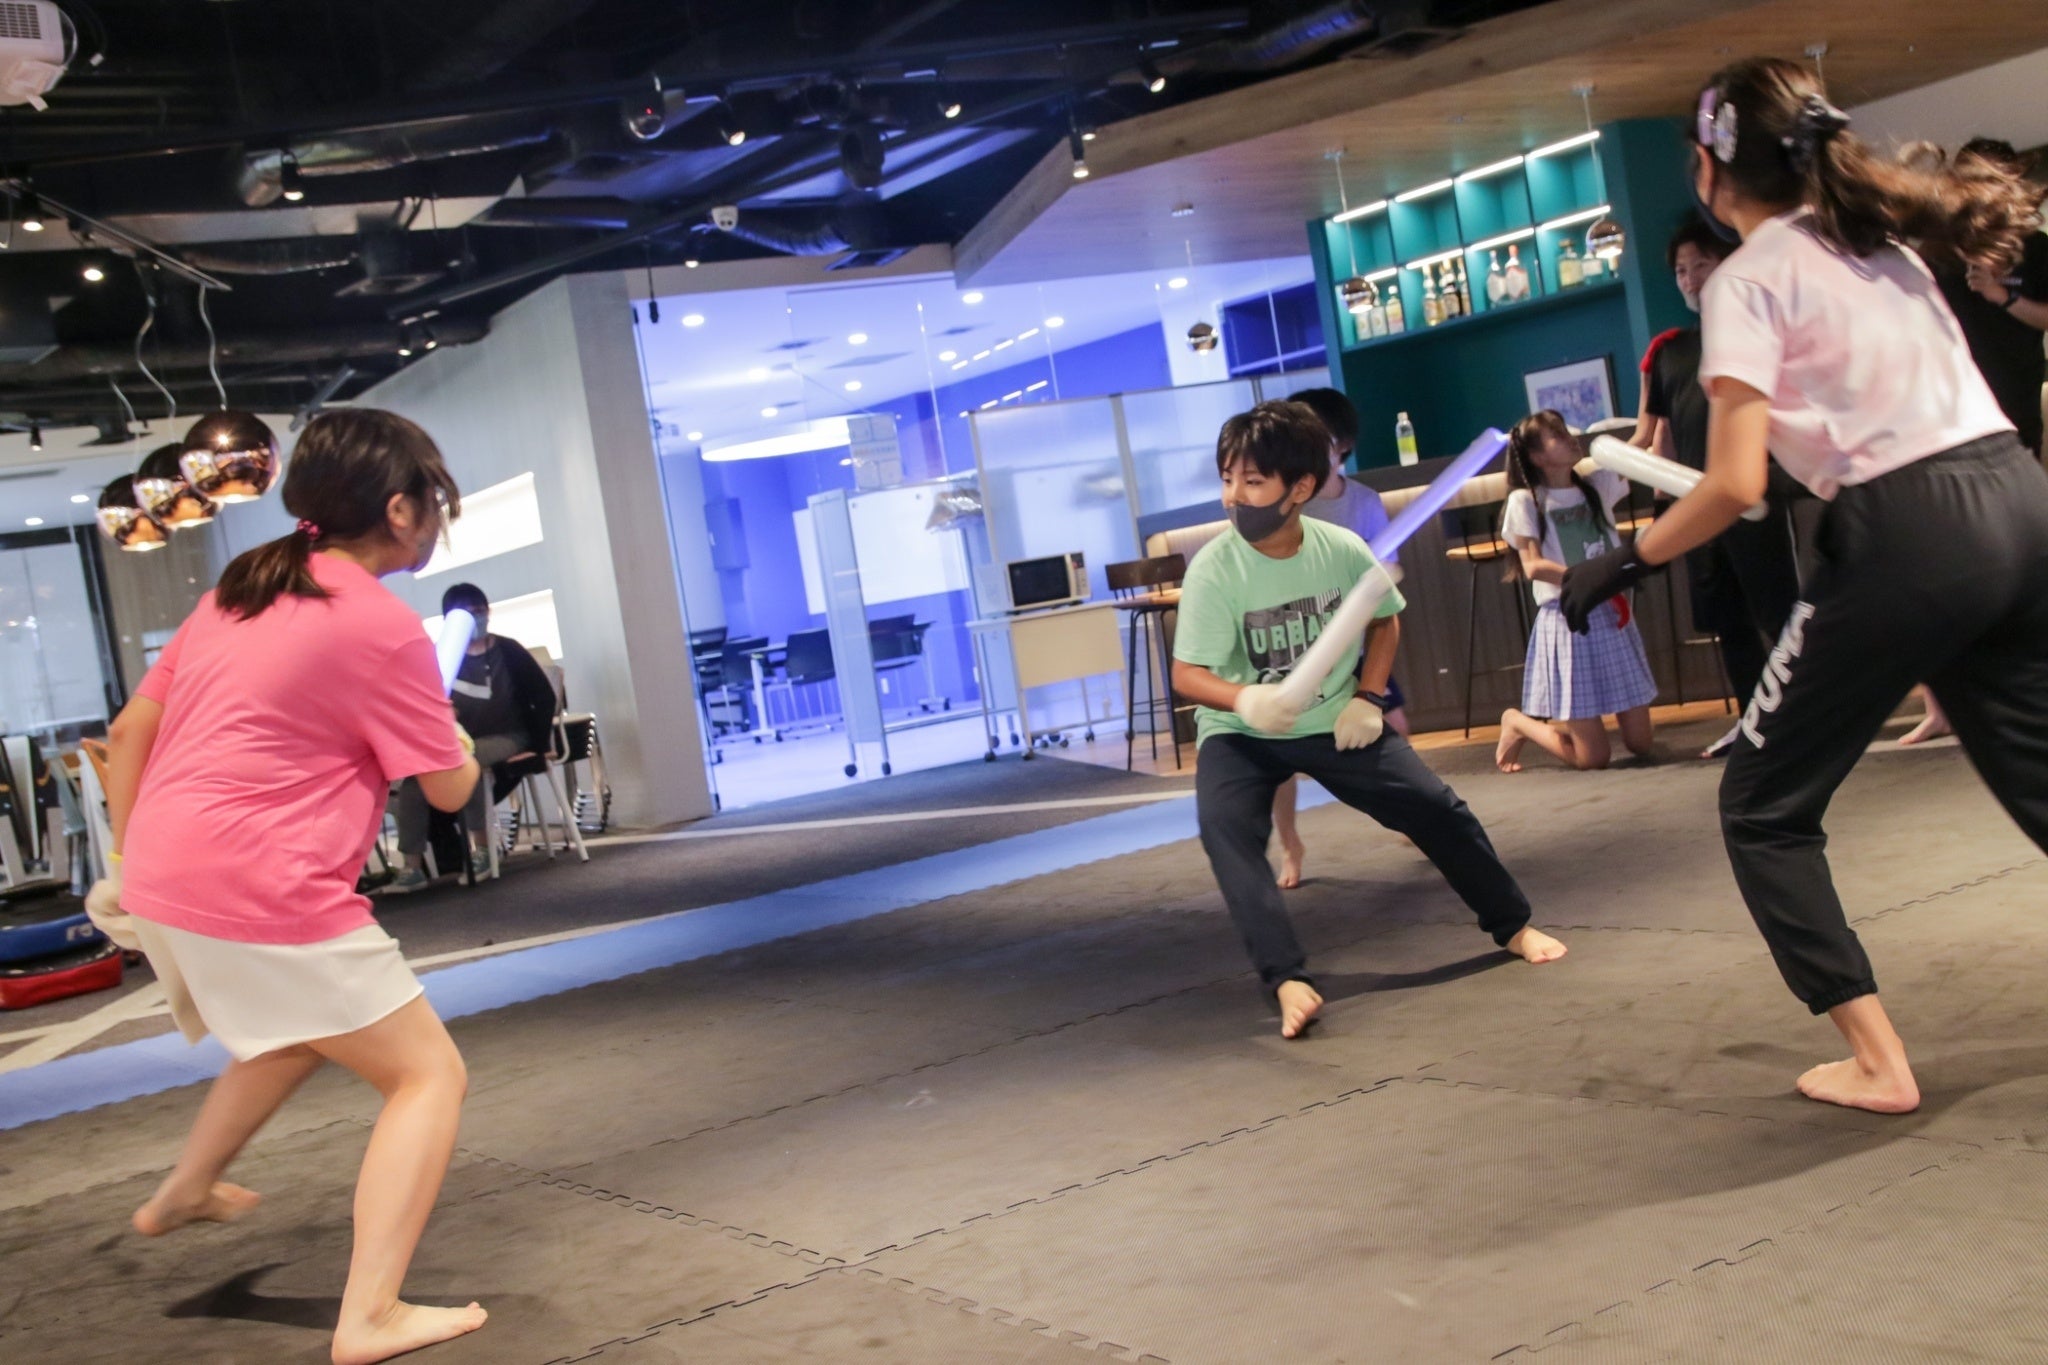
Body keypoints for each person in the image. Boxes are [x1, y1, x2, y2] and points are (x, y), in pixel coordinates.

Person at [1559, 57, 2048, 1115]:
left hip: (1910, 531)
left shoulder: (1745, 281)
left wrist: (1625, 559)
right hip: (2018, 495)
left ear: (1708, 169)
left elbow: (1733, 482)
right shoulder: (1880, 246)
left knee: (1762, 806)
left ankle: (1877, 1062)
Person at [85, 409, 490, 1363]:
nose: (436, 517)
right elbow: (448, 791)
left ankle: (186, 1188)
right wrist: (459, 737)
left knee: (298, 1033)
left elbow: (129, 732)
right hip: (263, 881)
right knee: (427, 1074)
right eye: (433, 499)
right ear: (400, 509)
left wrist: (126, 865)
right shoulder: (380, 624)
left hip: (165, 869)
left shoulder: (240, 588)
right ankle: (371, 1313)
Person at [1171, 400, 1565, 1040]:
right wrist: (1244, 701)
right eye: (1227, 479)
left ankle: (1513, 925)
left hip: (1332, 720)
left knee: (1436, 808)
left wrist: (1368, 698)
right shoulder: (1215, 568)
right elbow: (1186, 674)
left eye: (1252, 481)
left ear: (1299, 488)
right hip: (1241, 734)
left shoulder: (1341, 549)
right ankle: (1285, 978)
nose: (1233, 497)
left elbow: (1385, 620)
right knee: (1226, 833)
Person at [1634, 218, 1806, 758]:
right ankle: (1754, 722)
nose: (1690, 279)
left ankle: (1805, 719)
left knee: (1780, 613)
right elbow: (1661, 435)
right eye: (1681, 271)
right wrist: (1662, 509)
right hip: (1695, 502)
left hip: (1753, 497)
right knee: (1727, 620)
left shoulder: (1754, 330)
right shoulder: (1671, 351)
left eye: (1701, 265)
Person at [1897, 137, 2048, 747]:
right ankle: (1944, 704)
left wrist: (2002, 294)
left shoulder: (2033, 247)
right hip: (1946, 423)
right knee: (1942, 565)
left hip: (2015, 418)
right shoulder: (1936, 253)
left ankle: (2019, 689)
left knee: (2018, 560)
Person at [1274, 385, 1411, 888]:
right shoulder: (1290, 505)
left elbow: (1387, 570)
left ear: (1341, 444)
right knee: (1278, 755)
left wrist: (1375, 583)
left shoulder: (1365, 503)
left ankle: (1413, 815)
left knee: (1394, 722)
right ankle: (1290, 844)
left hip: (1354, 643)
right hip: (1298, 641)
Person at [1493, 410, 1659, 773]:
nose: (1570, 437)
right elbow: (1533, 566)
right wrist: (1591, 577)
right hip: (1569, 620)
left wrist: (1652, 390)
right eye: (1557, 435)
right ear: (1536, 457)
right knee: (1592, 758)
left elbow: (1641, 441)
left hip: (1611, 614)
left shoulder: (1596, 485)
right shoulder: (1526, 501)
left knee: (1641, 744)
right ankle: (1518, 722)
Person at [385, 582, 558, 892]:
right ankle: (411, 866)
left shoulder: (508, 651)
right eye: (467, 613)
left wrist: (540, 743)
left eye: (479, 611)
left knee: (469, 761)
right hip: (459, 740)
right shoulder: (441, 658)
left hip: (509, 736)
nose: (476, 618)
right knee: (415, 780)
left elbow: (544, 696)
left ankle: (483, 849)